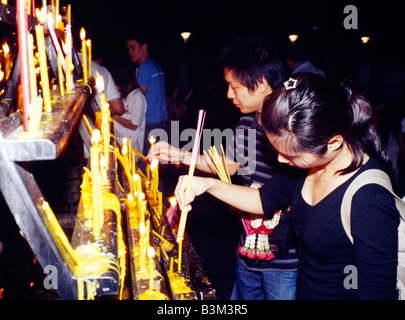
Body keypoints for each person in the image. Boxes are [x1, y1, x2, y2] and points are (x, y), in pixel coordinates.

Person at [175, 73, 400, 300]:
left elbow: (378, 294)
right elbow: (262, 200)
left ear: (333, 143)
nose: (281, 160)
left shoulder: (369, 198)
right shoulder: (307, 165)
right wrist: (206, 184)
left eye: (291, 154)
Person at [150, 36, 299, 300]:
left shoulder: (292, 130)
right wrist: (178, 155)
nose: (229, 94)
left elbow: (272, 199)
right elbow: (229, 164)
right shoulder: (246, 121)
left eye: (234, 86)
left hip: (283, 259)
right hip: (246, 251)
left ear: (261, 83)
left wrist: (208, 185)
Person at [126, 32, 168, 154]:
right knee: (156, 156)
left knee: (146, 158)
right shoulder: (156, 66)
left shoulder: (143, 68)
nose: (130, 52)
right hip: (161, 118)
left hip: (150, 120)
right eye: (128, 49)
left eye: (133, 48)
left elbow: (138, 96)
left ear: (144, 47)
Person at [113, 64, 147, 154]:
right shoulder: (122, 93)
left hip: (132, 147)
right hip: (119, 142)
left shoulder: (137, 97)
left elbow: (134, 125)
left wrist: (114, 116)